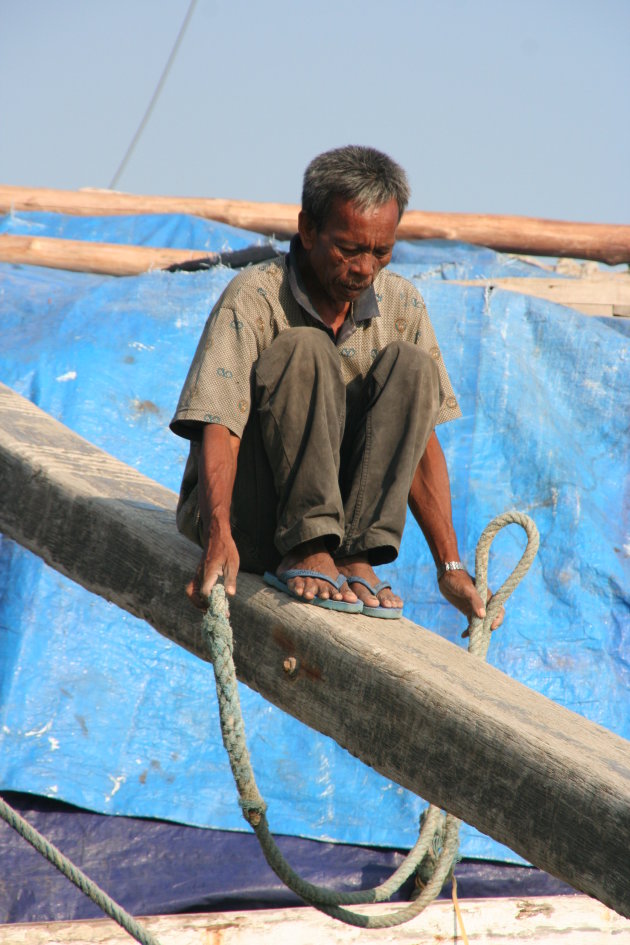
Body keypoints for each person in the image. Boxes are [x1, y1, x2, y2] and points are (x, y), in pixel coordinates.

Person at [170, 145, 502, 629]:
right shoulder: (254, 297)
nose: (365, 268)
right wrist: (218, 533)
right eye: (348, 249)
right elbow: (217, 422)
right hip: (251, 523)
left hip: (343, 537)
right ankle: (307, 547)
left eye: (381, 252)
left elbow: (420, 441)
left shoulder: (402, 305)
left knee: (413, 368)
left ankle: (351, 554)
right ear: (307, 230)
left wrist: (449, 566)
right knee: (306, 349)